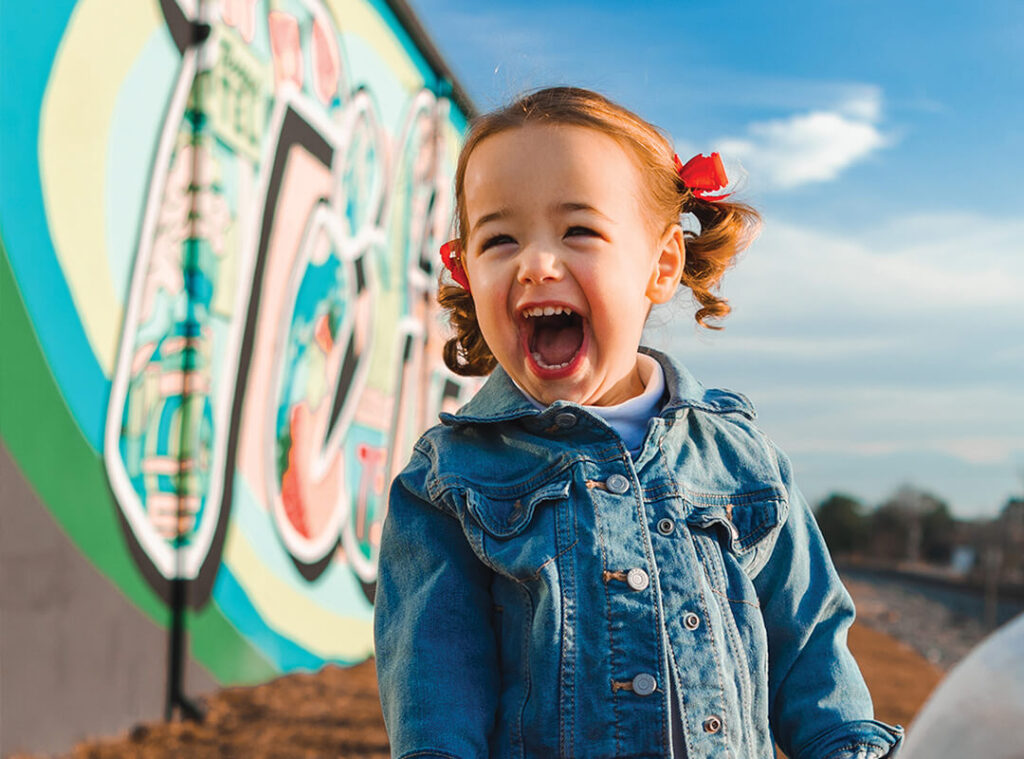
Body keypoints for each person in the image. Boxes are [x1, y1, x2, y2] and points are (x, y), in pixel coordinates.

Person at [373, 86, 903, 759]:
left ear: (661, 265)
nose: (536, 262)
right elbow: (436, 710)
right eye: (499, 238)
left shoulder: (743, 462)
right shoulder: (449, 483)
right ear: (469, 273)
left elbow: (816, 669)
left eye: (579, 230)